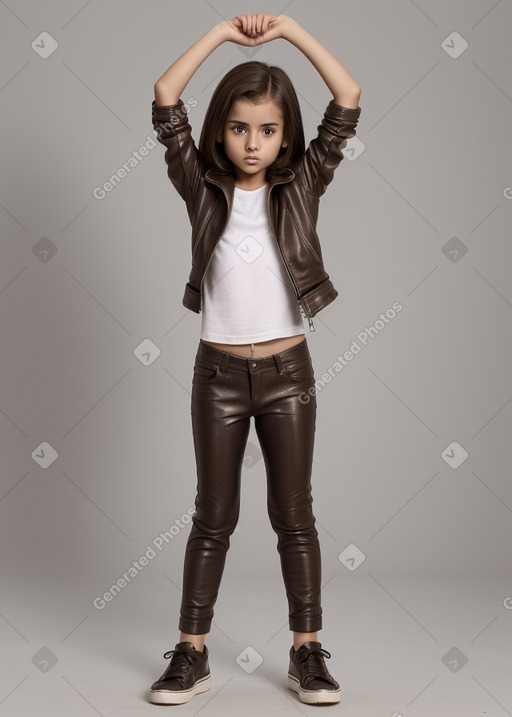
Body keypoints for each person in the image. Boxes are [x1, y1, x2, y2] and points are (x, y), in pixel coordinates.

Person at [148, 12, 361, 706]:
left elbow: (349, 97)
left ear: (286, 136)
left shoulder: (301, 184)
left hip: (287, 375)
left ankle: (307, 653)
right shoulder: (198, 183)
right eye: (239, 127)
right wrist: (217, 34)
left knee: (293, 514)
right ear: (221, 130)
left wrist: (293, 31)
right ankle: (190, 651)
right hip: (217, 375)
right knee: (214, 514)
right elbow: (165, 98)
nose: (252, 142)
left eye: (267, 129)